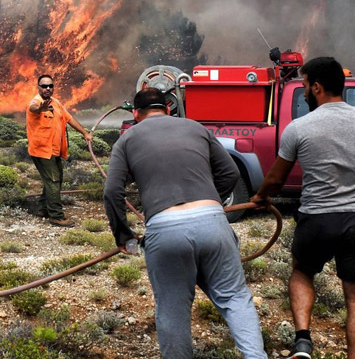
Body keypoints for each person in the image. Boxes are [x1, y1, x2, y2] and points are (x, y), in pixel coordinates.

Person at [104, 88, 267, 359]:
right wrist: (210, 201)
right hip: (213, 222)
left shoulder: (127, 138)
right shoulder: (196, 128)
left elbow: (112, 192)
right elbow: (230, 173)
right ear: (168, 109)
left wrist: (124, 236)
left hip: (165, 229)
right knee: (235, 299)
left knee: (172, 309)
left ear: (136, 114)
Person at [250, 57, 355, 359]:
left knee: (301, 272)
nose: (305, 91)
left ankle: (302, 342)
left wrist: (260, 197)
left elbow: (276, 178)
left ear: (317, 87)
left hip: (318, 218)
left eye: (305, 85)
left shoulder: (299, 127)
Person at [26, 74, 92, 227]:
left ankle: (43, 208)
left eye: (50, 86)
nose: (47, 88)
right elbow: (33, 108)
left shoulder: (56, 103)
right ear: (38, 88)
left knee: (55, 179)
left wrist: (84, 133)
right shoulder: (36, 102)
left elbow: (69, 119)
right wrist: (40, 108)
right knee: (53, 180)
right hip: (42, 151)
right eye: (44, 86)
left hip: (54, 150)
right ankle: (56, 215)